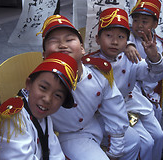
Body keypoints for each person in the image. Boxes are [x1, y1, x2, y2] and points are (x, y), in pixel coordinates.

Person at [39, 15, 140, 160]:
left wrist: (115, 151)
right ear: (44, 54)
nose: (62, 45)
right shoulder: (40, 83)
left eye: (69, 40)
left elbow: (114, 109)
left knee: (133, 141)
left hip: (93, 122)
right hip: (68, 135)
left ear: (82, 48)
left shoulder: (98, 74)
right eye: (54, 41)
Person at [83, 7, 163, 160]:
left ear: (127, 40)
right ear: (97, 39)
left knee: (158, 134)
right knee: (145, 142)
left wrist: (154, 58)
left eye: (121, 37)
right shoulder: (91, 65)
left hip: (130, 103)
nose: (114, 42)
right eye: (108, 35)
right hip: (105, 112)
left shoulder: (130, 59)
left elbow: (155, 76)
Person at [0, 52, 78, 160]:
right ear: (29, 84)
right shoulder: (14, 116)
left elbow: (55, 152)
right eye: (43, 87)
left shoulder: (44, 115)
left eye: (58, 95)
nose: (47, 99)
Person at [126, 0, 163, 159]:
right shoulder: (126, 38)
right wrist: (127, 45)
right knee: (143, 139)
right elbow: (121, 40)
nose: (138, 25)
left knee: (158, 135)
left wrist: (154, 56)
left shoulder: (158, 45)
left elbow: (159, 75)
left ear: (155, 24)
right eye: (135, 20)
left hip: (150, 100)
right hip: (130, 103)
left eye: (144, 21)